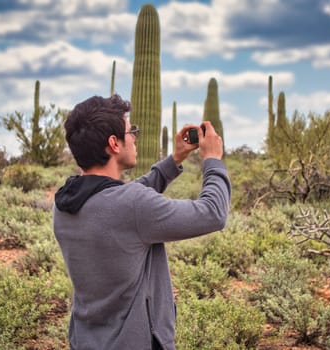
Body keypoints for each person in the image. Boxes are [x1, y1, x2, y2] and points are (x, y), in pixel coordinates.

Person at [53, 94, 231, 350]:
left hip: (86, 340)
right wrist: (213, 161)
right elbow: (213, 213)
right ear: (114, 143)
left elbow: (120, 201)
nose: (135, 137)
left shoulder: (65, 202)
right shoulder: (131, 205)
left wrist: (175, 160)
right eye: (130, 132)